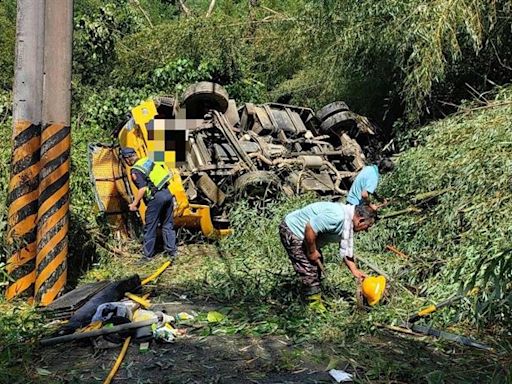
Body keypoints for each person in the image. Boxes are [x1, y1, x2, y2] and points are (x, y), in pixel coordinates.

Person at [279, 202, 376, 311]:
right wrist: (311, 252)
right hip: (294, 230)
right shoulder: (337, 217)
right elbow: (310, 228)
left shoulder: (348, 224)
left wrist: (355, 270)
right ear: (360, 220)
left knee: (316, 264)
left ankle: (312, 295)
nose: (366, 230)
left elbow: (346, 249)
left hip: (308, 236)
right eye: (368, 226)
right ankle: (313, 307)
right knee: (309, 269)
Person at [121, 147, 177, 259]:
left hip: (156, 198)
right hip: (167, 193)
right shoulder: (148, 160)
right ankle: (172, 252)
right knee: (167, 224)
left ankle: (147, 256)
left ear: (127, 159)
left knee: (150, 227)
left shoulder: (136, 170)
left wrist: (134, 204)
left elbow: (142, 188)